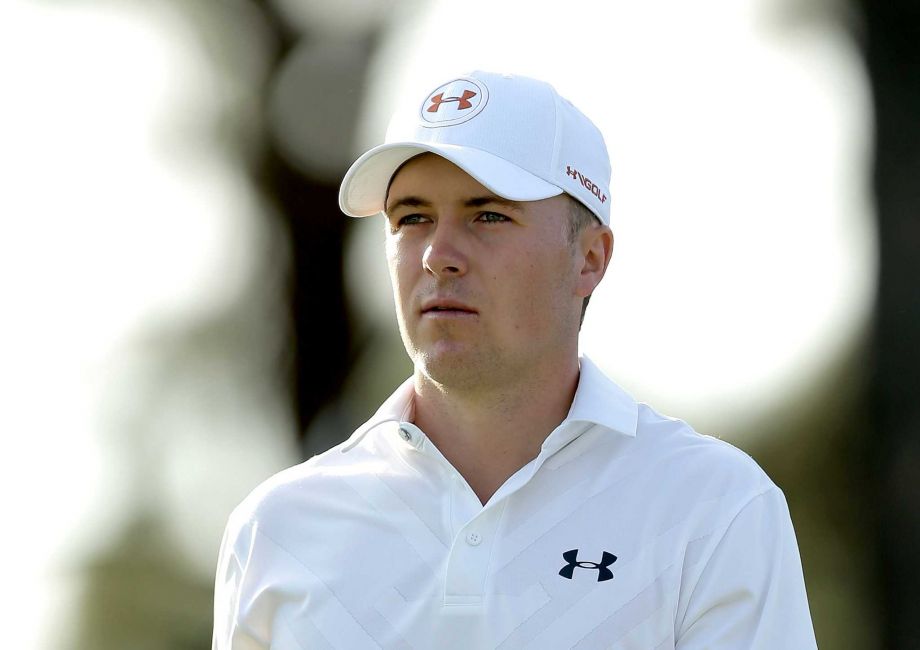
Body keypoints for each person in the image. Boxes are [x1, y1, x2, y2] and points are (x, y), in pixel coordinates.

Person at [212, 71, 817, 649]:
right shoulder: (277, 530)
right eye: (413, 218)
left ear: (589, 259)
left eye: (489, 215)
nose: (438, 255)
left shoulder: (713, 509)